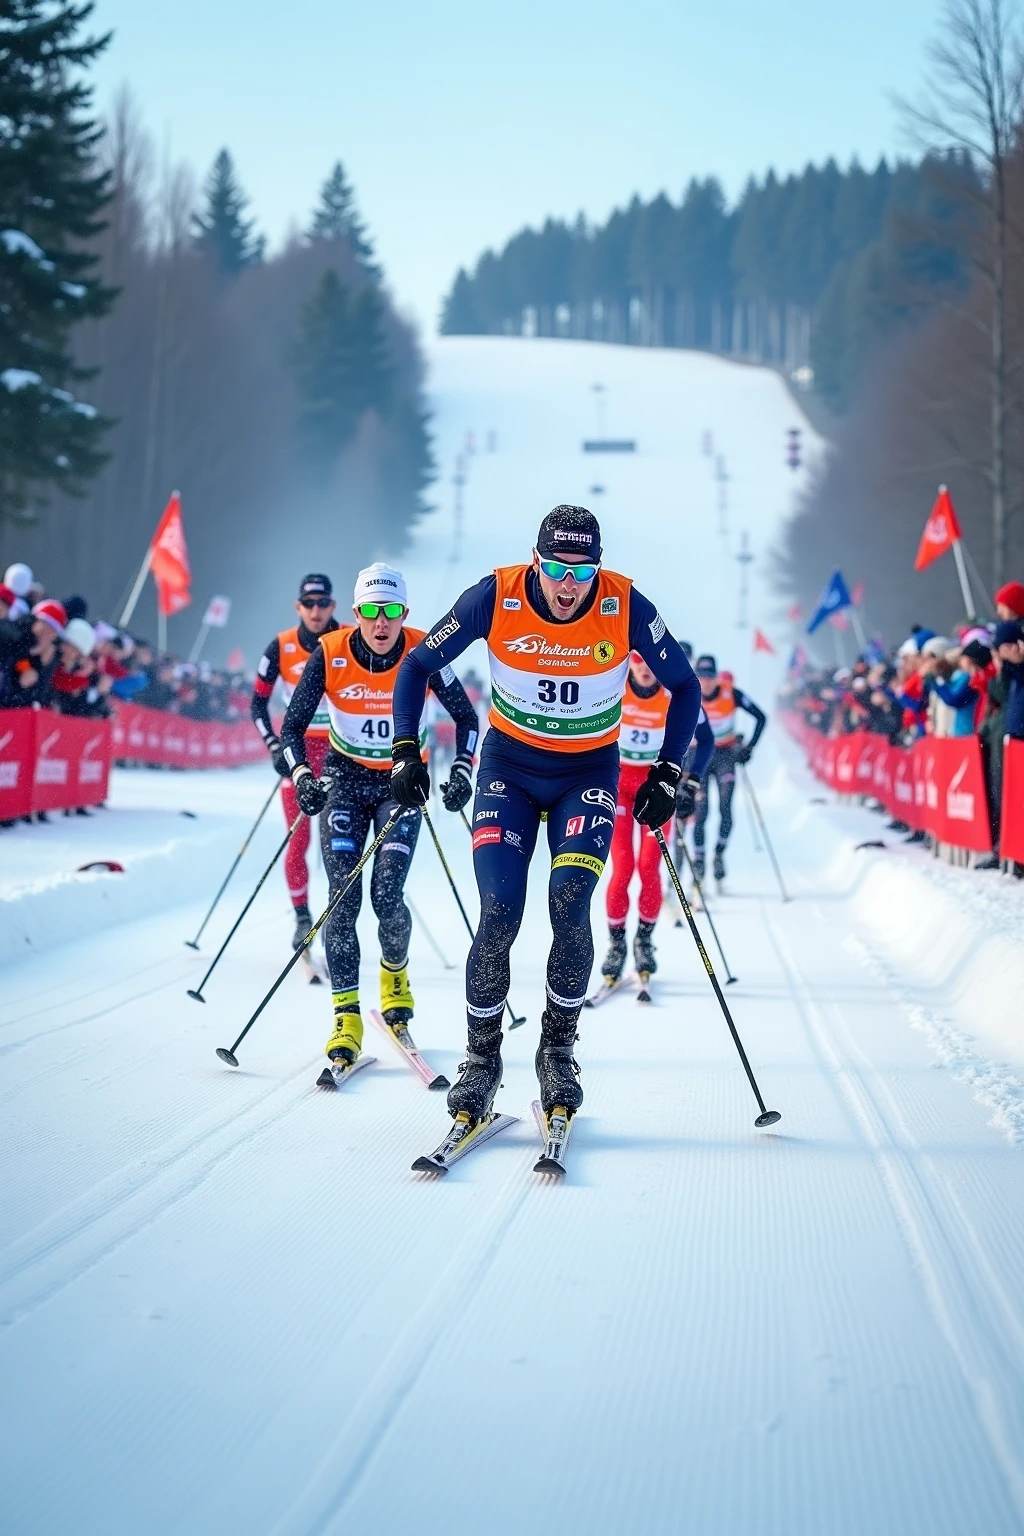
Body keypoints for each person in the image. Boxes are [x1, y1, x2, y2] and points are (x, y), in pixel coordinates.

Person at [390, 504, 701, 1127]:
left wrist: (668, 771)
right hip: (508, 770)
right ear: (538, 561)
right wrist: (405, 749)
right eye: (557, 568)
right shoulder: (496, 594)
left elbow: (685, 687)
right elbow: (418, 663)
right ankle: (483, 1062)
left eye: (582, 573)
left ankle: (557, 1049)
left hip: (587, 774)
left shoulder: (626, 604)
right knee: (500, 909)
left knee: (568, 901)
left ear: (598, 570)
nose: (568, 585)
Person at [280, 563, 478, 1066]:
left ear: (404, 613)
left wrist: (461, 769)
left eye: (391, 611)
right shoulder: (329, 651)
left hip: (400, 784)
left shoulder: (426, 649)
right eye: (370, 610)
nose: (381, 622)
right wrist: (304, 775)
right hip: (344, 783)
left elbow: (468, 717)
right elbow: (292, 728)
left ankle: (395, 981)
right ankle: (345, 1018)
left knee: (386, 894)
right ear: (356, 613)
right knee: (342, 898)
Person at [601, 651, 713, 986]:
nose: (644, 666)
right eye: (636, 658)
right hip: (619, 786)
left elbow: (706, 740)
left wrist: (690, 784)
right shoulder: (613, 685)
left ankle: (644, 941)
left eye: (650, 660)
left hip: (657, 788)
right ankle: (617, 945)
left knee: (649, 867)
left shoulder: (675, 692)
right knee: (623, 865)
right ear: (628, 660)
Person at [251, 574, 339, 948]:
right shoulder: (281, 646)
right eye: (309, 604)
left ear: (333, 606)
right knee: (299, 837)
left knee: (337, 840)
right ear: (298, 607)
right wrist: (274, 745)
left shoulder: (349, 639)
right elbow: (257, 702)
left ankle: (339, 916)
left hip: (340, 752)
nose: (316, 611)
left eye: (322, 603)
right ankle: (302, 917)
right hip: (299, 752)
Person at [692, 654, 766, 884]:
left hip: (725, 755)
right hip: (699, 757)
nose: (705, 682)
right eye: (701, 677)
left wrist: (749, 748)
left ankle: (719, 855)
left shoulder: (731, 693)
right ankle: (700, 860)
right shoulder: (689, 693)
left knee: (725, 807)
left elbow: (761, 717)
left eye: (709, 677)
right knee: (701, 810)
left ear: (716, 677)